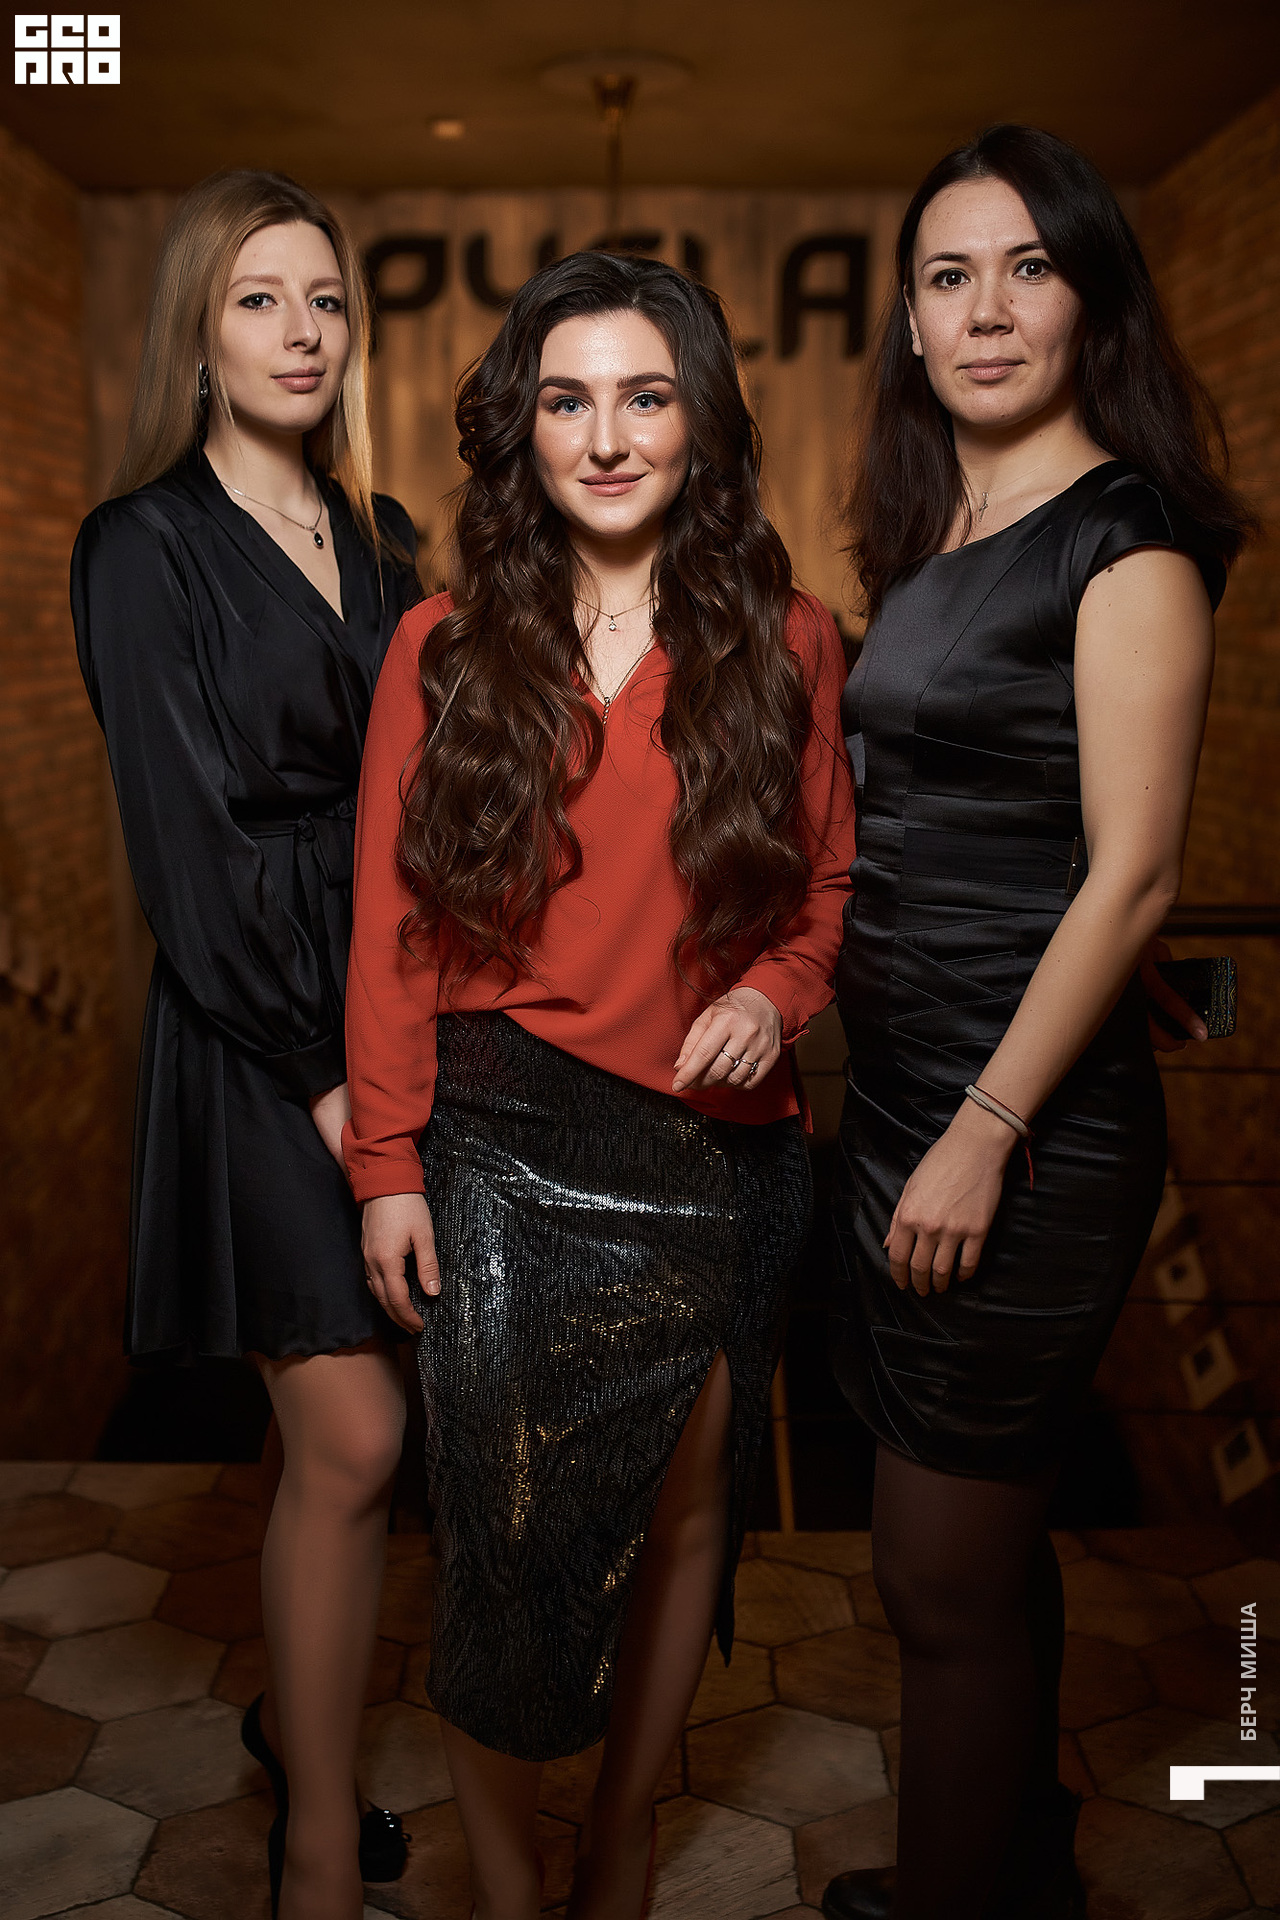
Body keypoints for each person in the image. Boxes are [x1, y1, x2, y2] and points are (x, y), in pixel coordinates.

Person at [343, 249, 858, 1920]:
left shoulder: (789, 639)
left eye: (646, 396)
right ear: (526, 428)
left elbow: (827, 890)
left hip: (719, 1153)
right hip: (504, 1140)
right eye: (568, 400)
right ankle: (506, 1885)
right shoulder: (439, 648)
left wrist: (775, 997)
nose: (609, 436)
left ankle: (621, 1840)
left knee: (693, 1503)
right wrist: (389, 1164)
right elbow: (393, 929)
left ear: (700, 421)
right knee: (500, 1533)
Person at [819, 125, 1255, 1920]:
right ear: (913, 321)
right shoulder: (941, 531)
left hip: (1017, 1128)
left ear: (1092, 302)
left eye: (1028, 268)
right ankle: (1017, 1868)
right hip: (907, 1094)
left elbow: (1133, 878)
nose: (986, 310)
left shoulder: (1125, 543)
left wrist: (986, 1132)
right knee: (986, 1552)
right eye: (949, 275)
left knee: (934, 1575)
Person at [71, 170, 424, 1920]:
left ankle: (299, 1718)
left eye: (326, 300)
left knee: (336, 1411)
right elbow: (191, 856)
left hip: (392, 1004)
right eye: (259, 299)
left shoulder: (385, 537)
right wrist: (329, 1078)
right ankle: (316, 1854)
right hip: (256, 1027)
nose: (301, 333)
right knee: (354, 1433)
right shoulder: (140, 545)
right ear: (199, 337)